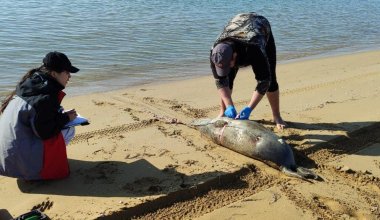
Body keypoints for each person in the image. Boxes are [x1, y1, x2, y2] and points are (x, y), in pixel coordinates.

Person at [0, 51, 80, 180]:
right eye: (67, 72)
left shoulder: (30, 81)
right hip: (21, 166)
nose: (69, 76)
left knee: (60, 114)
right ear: (54, 74)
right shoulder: (46, 97)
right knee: (69, 129)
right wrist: (66, 118)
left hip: (6, 159)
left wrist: (61, 115)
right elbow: (46, 132)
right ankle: (44, 165)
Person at [210, 12, 287, 130]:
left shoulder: (254, 49)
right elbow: (221, 82)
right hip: (237, 23)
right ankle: (223, 112)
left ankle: (277, 116)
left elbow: (264, 81)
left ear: (235, 56)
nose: (227, 67)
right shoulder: (216, 52)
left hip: (260, 26)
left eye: (229, 64)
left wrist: (249, 109)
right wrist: (229, 105)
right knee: (227, 79)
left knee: (271, 78)